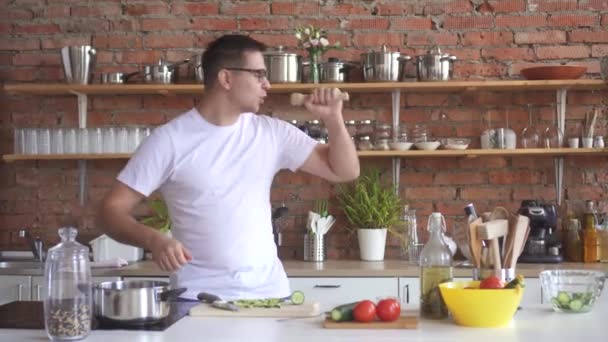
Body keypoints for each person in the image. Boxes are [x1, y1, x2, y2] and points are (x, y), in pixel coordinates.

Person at [99, 34, 360, 300]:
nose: (267, 84)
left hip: (270, 296)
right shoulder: (168, 141)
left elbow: (344, 171)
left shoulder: (272, 133)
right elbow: (110, 211)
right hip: (198, 300)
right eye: (258, 75)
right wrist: (154, 240)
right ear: (226, 78)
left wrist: (333, 119)